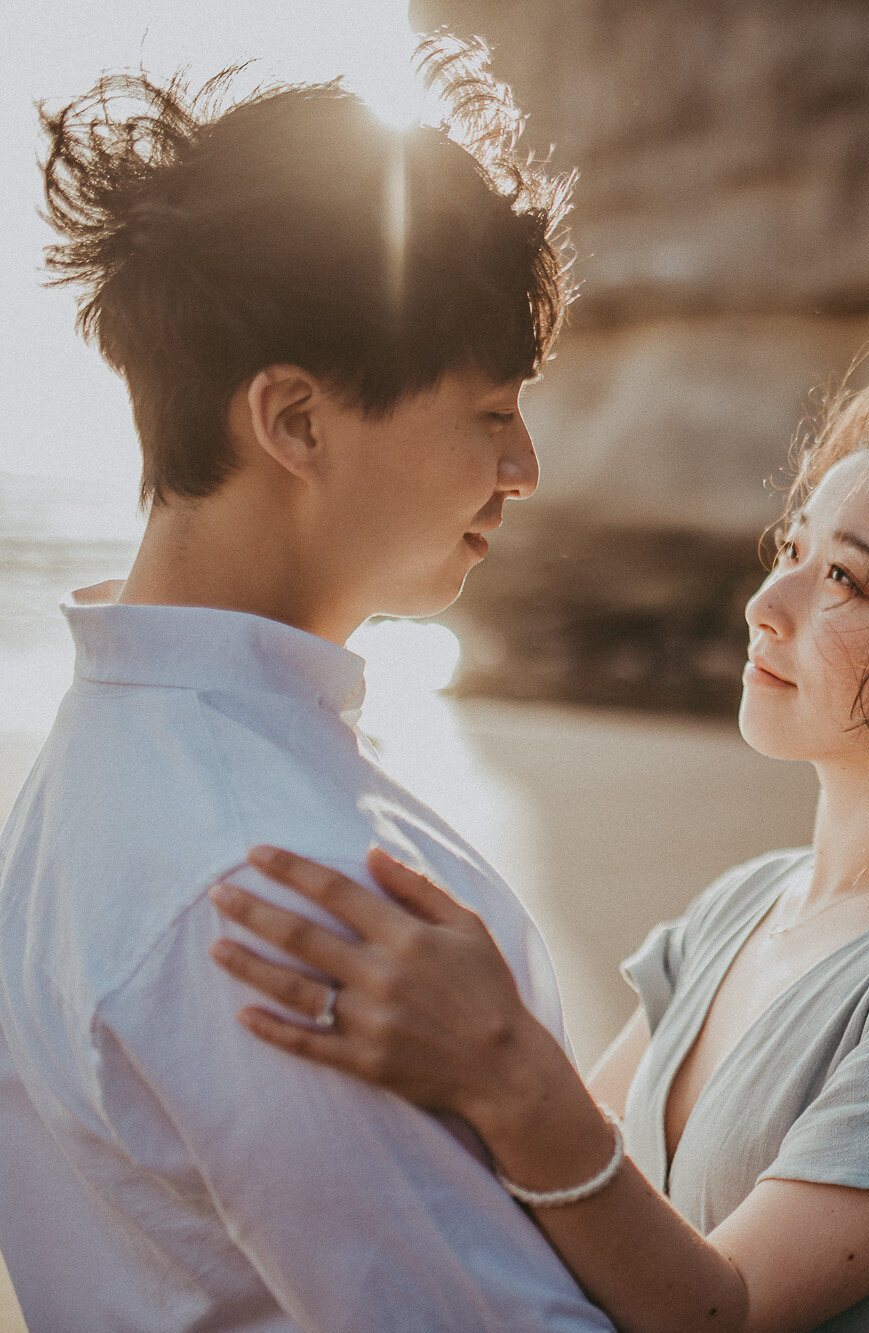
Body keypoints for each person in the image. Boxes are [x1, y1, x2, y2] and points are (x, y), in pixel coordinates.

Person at [207, 379, 869, 1332]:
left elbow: (727, 1307)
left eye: (845, 582)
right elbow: (543, 1211)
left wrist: (502, 1065)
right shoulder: (746, 903)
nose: (765, 606)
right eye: (790, 552)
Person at [0, 41, 618, 1330]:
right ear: (294, 421)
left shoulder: (122, 755)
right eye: (490, 411)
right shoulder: (265, 885)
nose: (526, 467)